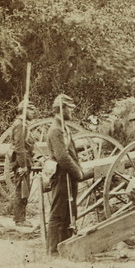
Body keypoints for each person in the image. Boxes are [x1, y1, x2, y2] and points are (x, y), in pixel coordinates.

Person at [46, 94, 84, 255]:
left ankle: (66, 248)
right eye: (70, 109)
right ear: (62, 109)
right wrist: (78, 173)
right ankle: (53, 251)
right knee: (58, 214)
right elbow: (62, 156)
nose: (72, 112)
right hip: (62, 176)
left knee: (69, 213)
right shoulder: (55, 130)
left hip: (69, 176)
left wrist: (77, 170)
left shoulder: (63, 128)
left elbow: (72, 152)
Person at [8, 101, 35, 227]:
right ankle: (19, 220)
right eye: (31, 110)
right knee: (21, 190)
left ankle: (21, 218)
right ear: (24, 111)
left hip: (23, 161)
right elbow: (19, 147)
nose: (33, 112)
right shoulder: (20, 125)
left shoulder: (22, 124)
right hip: (21, 163)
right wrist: (23, 165)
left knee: (24, 189)